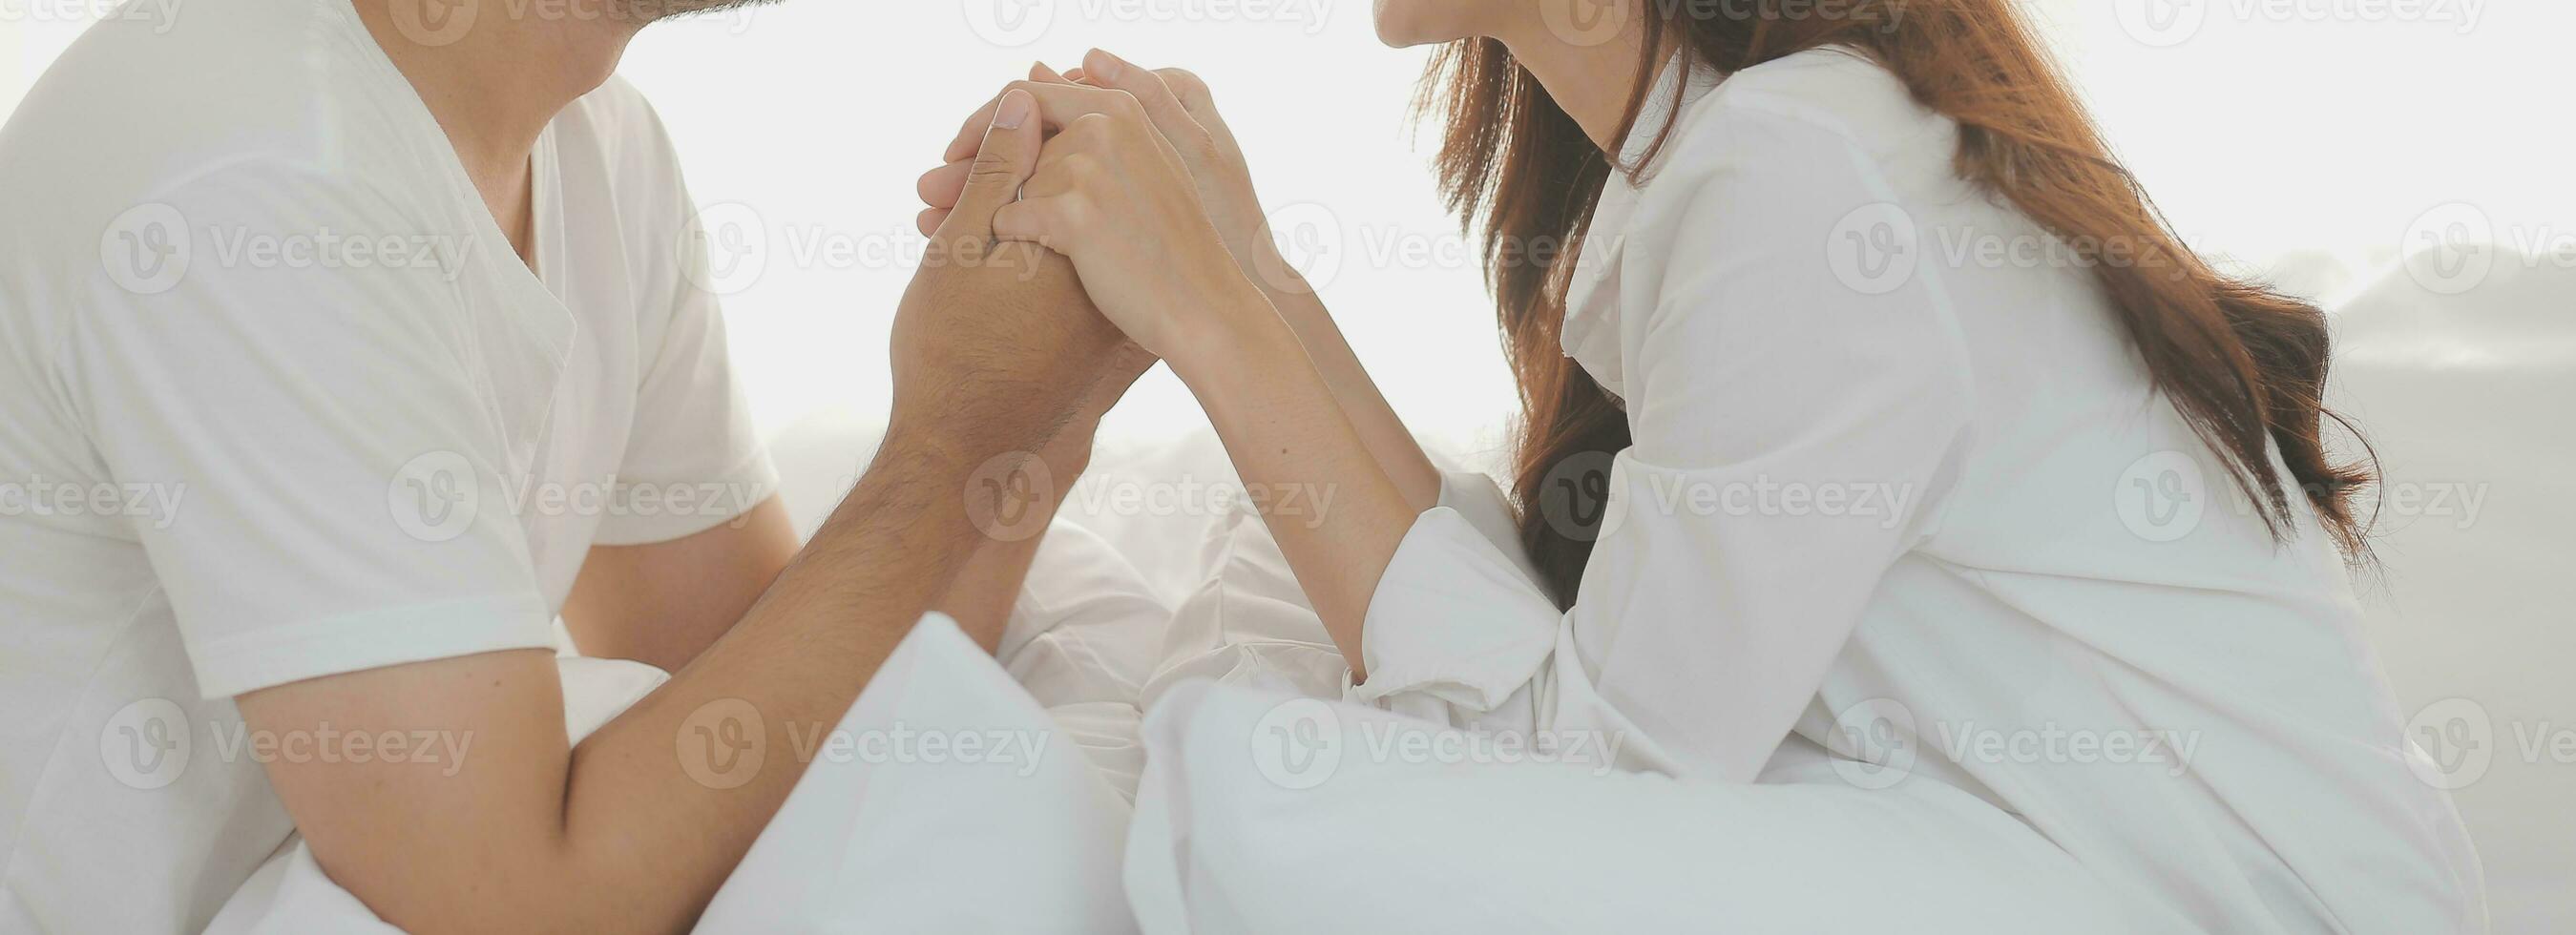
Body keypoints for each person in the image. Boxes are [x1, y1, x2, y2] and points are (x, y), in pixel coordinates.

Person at [916, 0, 2489, 927]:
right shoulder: (1752, 153)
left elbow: (1581, 782)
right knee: (1276, 609)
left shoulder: (1799, 170)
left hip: (2234, 907)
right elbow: (1611, 717)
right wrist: (1232, 259)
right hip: (2081, 858)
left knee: (1260, 776)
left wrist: (1209, 301)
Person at [0, 0, 1156, 930]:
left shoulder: (602, 151)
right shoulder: (257, 175)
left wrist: (1032, 419)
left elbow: (767, 712)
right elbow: (505, 901)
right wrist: (955, 432)